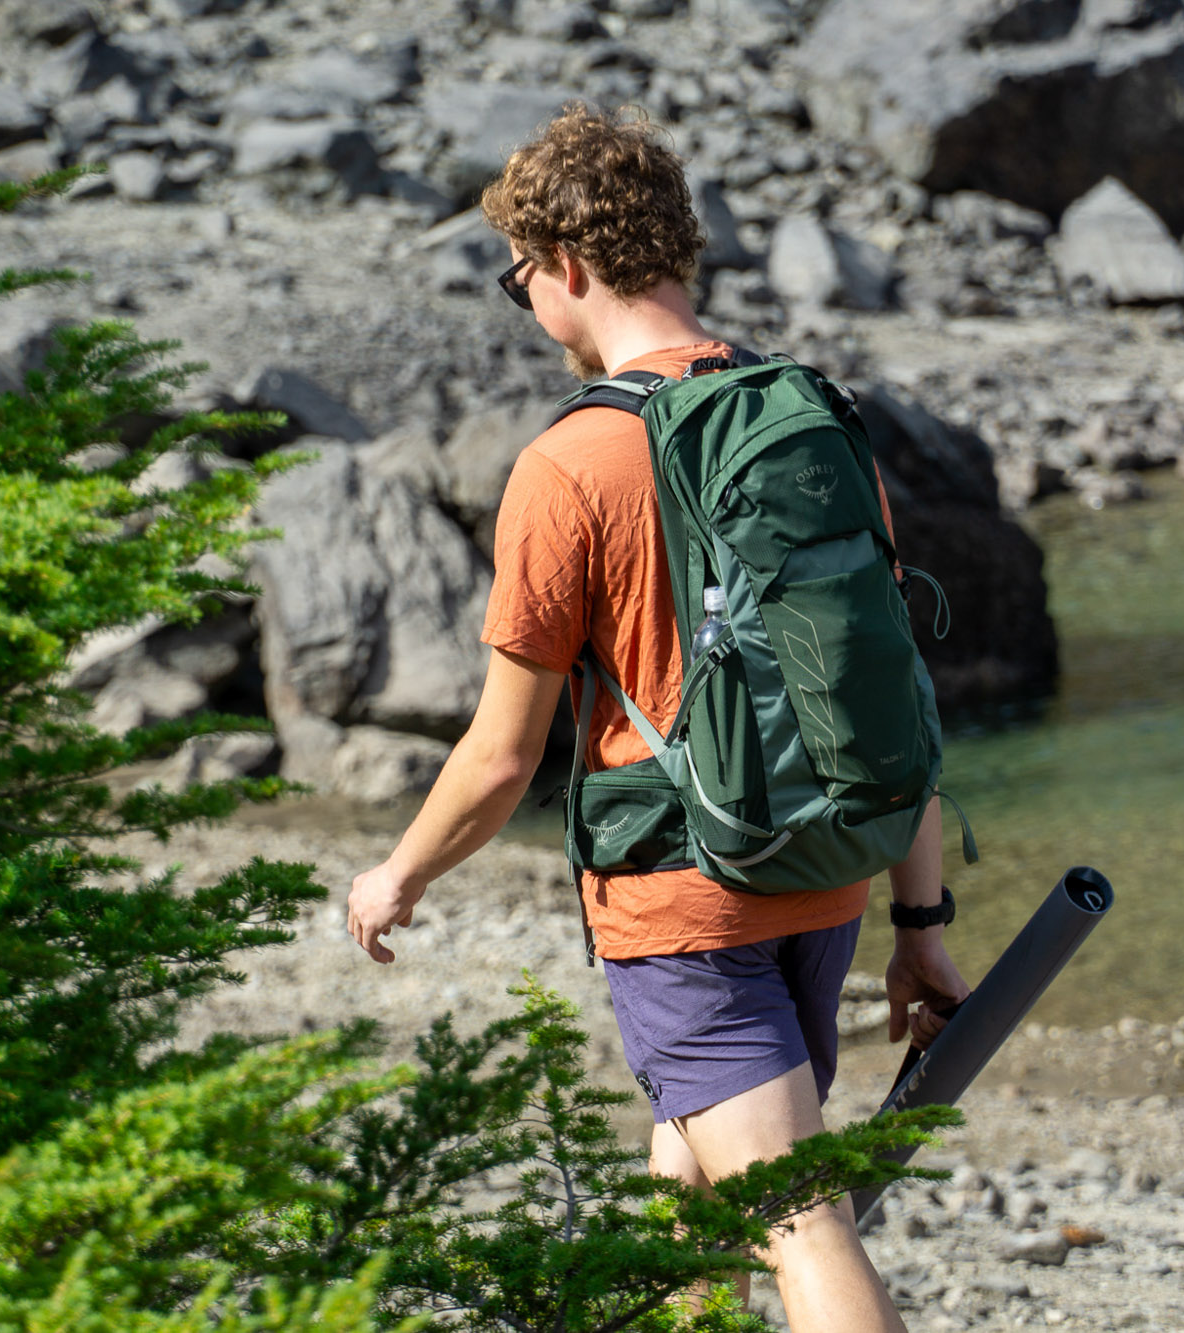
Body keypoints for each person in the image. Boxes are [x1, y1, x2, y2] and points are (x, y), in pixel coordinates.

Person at [346, 106, 969, 1332]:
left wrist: (397, 871)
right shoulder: (808, 419)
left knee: (797, 1219)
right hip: (823, 876)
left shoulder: (567, 466)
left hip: (684, 909)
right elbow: (889, 693)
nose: (525, 299)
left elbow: (500, 751)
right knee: (693, 1203)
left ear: (564, 267)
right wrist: (920, 922)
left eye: (517, 274)